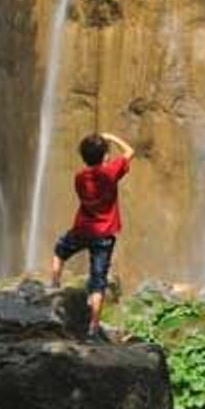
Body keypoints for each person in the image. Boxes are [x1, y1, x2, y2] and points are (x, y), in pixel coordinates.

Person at [50, 131, 135, 339]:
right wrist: (112, 137)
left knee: (60, 251)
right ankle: (93, 327)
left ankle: (53, 286)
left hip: (83, 229)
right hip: (105, 234)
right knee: (98, 281)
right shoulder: (110, 172)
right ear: (105, 155)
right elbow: (130, 152)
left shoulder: (79, 177)